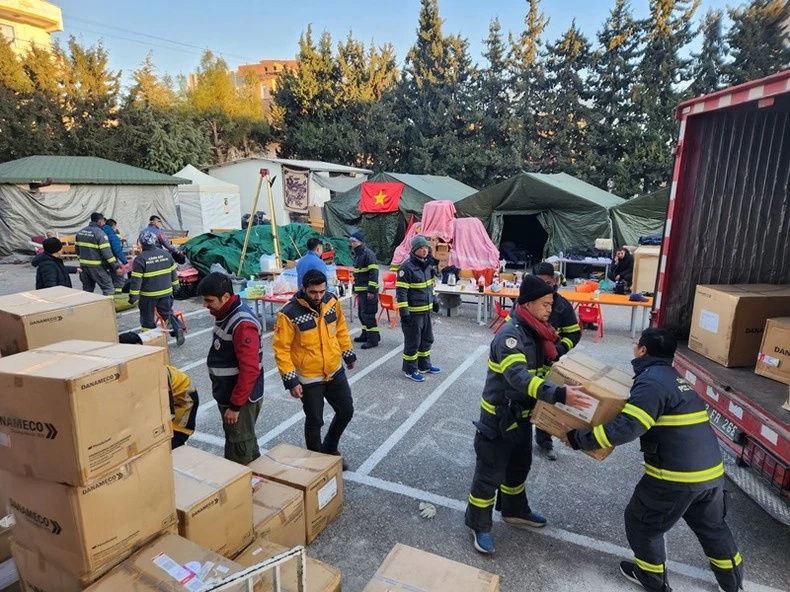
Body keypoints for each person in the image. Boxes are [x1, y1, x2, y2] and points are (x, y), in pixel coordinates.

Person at [562, 328, 743, 592]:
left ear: (643, 350)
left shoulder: (651, 383)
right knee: (713, 528)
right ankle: (733, 585)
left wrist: (579, 439)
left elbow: (629, 427)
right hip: (711, 474)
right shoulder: (675, 379)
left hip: (675, 478)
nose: (634, 347)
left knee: (643, 524)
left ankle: (652, 581)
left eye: (636, 344)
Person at [465, 275, 591, 555]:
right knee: (489, 475)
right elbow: (518, 377)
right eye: (545, 304)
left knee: (519, 467)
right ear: (529, 303)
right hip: (498, 420)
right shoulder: (510, 336)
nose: (550, 309)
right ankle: (478, 524)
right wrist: (559, 394)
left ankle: (514, 510)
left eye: (551, 304)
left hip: (522, 417)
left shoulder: (538, 333)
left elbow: (543, 370)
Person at [273, 269, 356, 470]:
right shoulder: (288, 313)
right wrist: (291, 381)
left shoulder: (332, 301)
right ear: (304, 288)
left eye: (321, 291)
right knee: (315, 421)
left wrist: (348, 354)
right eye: (313, 292)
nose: (318, 296)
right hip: (309, 378)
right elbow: (281, 349)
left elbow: (341, 329)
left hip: (334, 370)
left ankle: (330, 448)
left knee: (346, 411)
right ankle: (317, 466)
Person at [198, 272, 264, 465]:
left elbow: (250, 369)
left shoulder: (242, 323)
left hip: (240, 400)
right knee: (245, 443)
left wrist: (235, 406)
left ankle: (244, 481)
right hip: (231, 395)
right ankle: (258, 475)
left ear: (226, 297)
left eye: (209, 300)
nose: (205, 305)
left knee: (239, 451)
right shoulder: (226, 313)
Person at [531, 262, 582, 461]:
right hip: (526, 366)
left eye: (547, 283)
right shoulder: (526, 301)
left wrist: (559, 349)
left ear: (554, 281)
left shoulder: (562, 306)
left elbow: (574, 333)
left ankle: (544, 443)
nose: (544, 287)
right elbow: (511, 328)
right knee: (520, 406)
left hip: (549, 367)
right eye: (539, 283)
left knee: (547, 405)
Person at [396, 235, 440, 381]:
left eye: (426, 247)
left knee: (427, 340)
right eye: (421, 248)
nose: (424, 250)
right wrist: (405, 313)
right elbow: (401, 293)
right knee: (413, 342)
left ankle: (424, 365)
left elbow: (430, 287)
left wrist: (435, 300)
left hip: (426, 312)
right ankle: (410, 370)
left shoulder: (427, 266)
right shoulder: (406, 268)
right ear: (414, 250)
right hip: (413, 314)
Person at [129, 232, 185, 346]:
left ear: (141, 243)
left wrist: (133, 297)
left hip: (148, 295)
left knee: (147, 318)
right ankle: (177, 328)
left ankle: (152, 341)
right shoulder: (166, 255)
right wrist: (176, 287)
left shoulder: (140, 259)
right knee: (167, 313)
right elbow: (174, 274)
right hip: (166, 292)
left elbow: (136, 281)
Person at [76, 212, 121, 296]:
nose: (104, 223)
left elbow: (77, 250)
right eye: (103, 221)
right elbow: (107, 254)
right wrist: (116, 267)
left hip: (83, 267)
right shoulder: (100, 233)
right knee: (108, 288)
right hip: (97, 267)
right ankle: (107, 304)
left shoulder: (80, 232)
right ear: (100, 221)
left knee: (87, 290)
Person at [349, 231, 380, 350]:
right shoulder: (358, 255)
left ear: (360, 242)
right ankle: (365, 334)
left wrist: (371, 290)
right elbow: (358, 274)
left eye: (354, 241)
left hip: (368, 291)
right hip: (362, 291)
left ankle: (373, 339)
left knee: (368, 315)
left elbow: (374, 273)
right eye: (351, 242)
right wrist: (355, 288)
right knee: (362, 314)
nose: (352, 244)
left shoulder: (368, 254)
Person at [167, 365, 199, 449]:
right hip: (174, 395)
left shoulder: (160, 376)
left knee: (175, 435)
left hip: (184, 399)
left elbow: (168, 411)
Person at [102, 218, 129, 294]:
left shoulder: (101, 233)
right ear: (113, 226)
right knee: (119, 278)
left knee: (107, 280)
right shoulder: (113, 236)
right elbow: (117, 251)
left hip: (100, 261)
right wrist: (125, 262)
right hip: (112, 260)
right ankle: (118, 295)